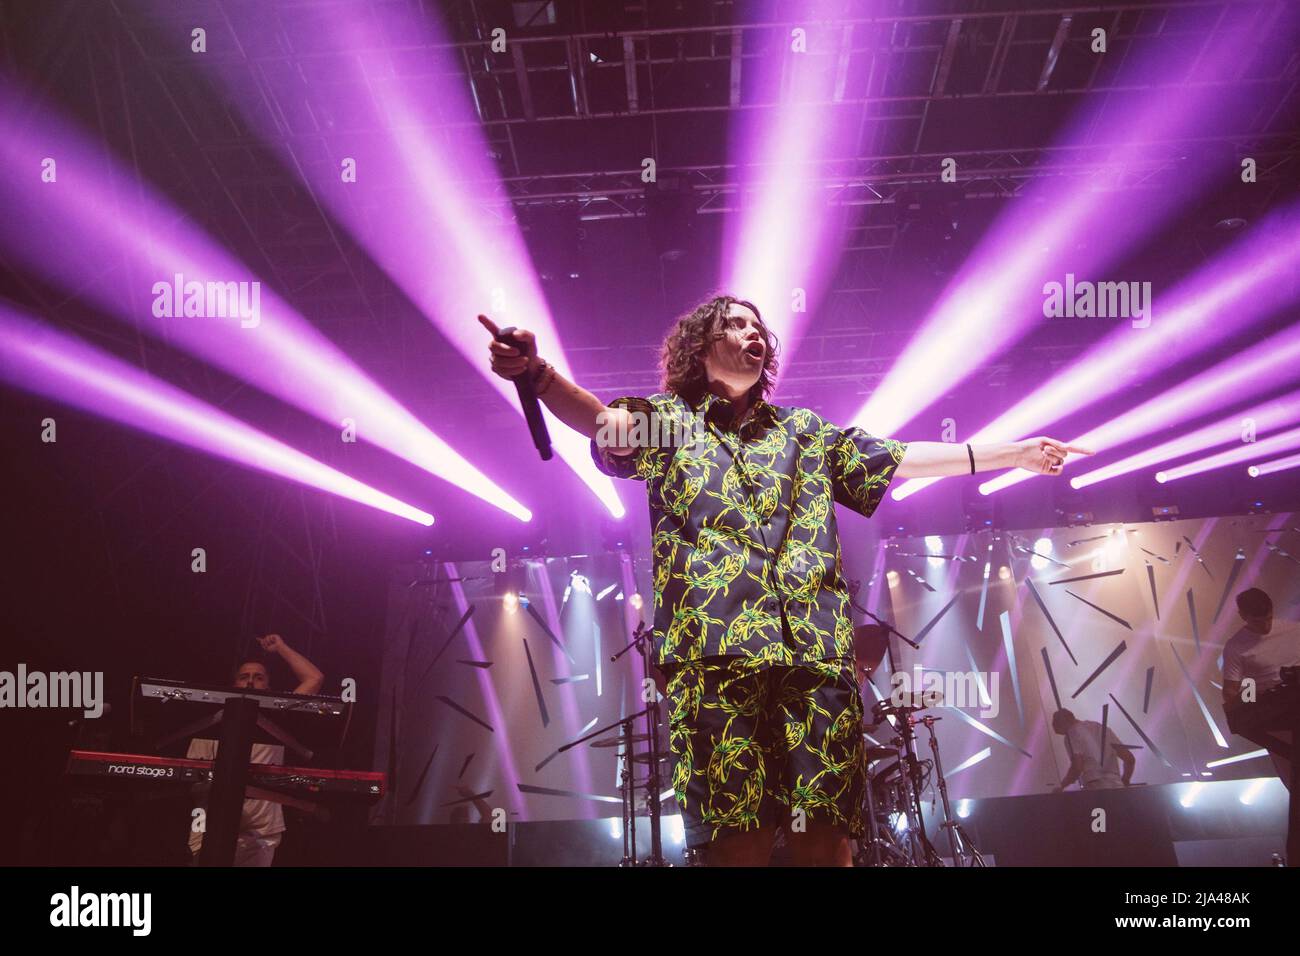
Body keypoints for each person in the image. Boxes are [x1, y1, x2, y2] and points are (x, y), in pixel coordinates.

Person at [480, 294, 1088, 866]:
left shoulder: (804, 432)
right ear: (700, 348)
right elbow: (598, 421)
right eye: (737, 326)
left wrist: (1014, 453)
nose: (755, 336)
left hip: (816, 657)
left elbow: (898, 458)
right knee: (733, 836)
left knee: (827, 834)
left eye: (759, 329)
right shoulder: (671, 422)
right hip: (715, 658)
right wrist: (537, 374)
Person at [187, 633, 324, 866]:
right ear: (234, 685)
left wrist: (281, 647)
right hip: (210, 822)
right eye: (244, 677)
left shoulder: (280, 717)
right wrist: (303, 805)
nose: (250, 682)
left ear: (268, 686)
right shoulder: (212, 722)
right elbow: (195, 781)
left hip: (260, 830)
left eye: (258, 677)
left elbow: (314, 678)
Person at [1222, 587, 1300, 789]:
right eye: (1257, 621)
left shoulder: (1294, 629)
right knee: (1293, 776)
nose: (1265, 626)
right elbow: (1231, 693)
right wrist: (1251, 696)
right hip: (1275, 716)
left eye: (1269, 618)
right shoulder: (1235, 646)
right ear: (1243, 616)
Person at [1051, 708, 1134, 790]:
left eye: (1063, 732)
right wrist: (1125, 781)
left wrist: (1062, 786)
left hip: (1096, 787)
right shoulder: (1103, 728)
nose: (1065, 735)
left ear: (1062, 724)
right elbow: (1129, 759)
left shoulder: (1072, 733)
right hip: (1117, 787)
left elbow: (1077, 767)